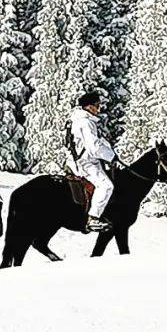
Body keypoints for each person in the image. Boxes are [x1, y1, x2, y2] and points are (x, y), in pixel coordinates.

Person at [66, 91, 116, 232]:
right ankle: (93, 218)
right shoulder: (86, 123)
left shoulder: (78, 120)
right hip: (86, 163)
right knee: (106, 186)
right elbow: (94, 147)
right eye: (96, 105)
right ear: (88, 107)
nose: (98, 109)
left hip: (82, 159)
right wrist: (111, 156)